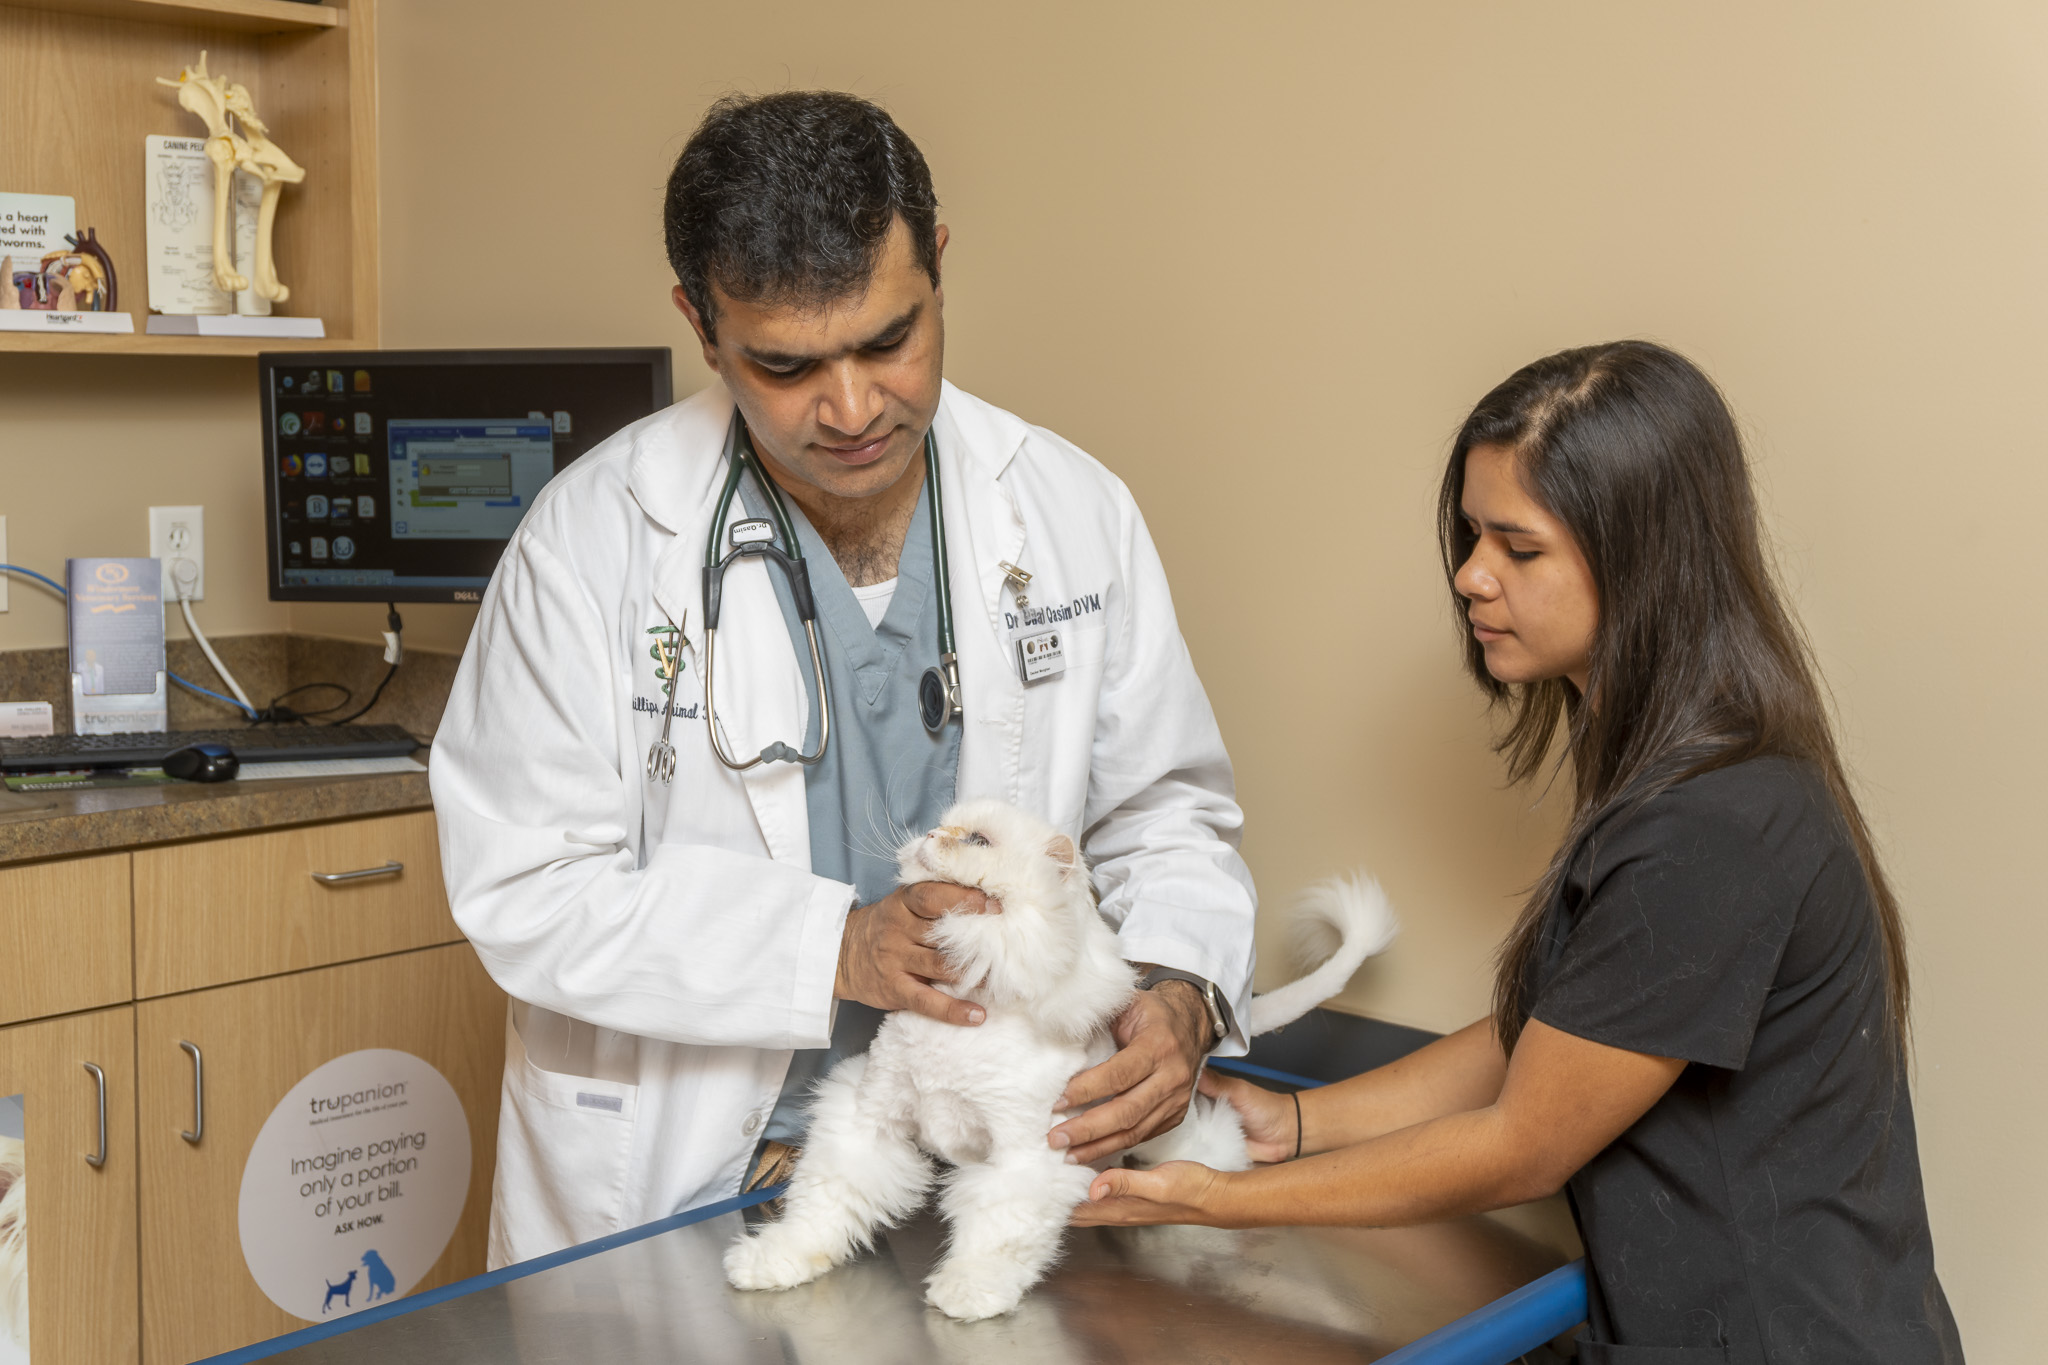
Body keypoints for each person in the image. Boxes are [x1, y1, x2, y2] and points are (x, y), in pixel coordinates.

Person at [430, 91, 1256, 1267]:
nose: (855, 407)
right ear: (699, 326)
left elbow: (1165, 812)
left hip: (991, 1155)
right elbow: (524, 885)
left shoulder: (1069, 511)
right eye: (785, 364)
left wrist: (1179, 984)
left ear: (939, 269)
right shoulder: (592, 545)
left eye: (888, 339)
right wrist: (833, 948)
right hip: (697, 1181)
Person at [1076, 341, 1963, 1363]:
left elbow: (1524, 1143)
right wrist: (1293, 1127)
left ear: (1640, 562)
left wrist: (1214, 1198)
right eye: (1468, 534)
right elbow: (1552, 1036)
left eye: (1517, 547)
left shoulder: (1711, 825)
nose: (1469, 575)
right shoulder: (1672, 774)